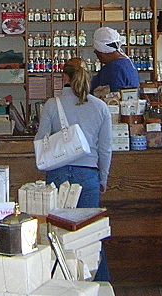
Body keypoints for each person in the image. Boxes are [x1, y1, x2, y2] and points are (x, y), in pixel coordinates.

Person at [35, 57, 112, 281]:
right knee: (90, 235)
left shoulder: (52, 104)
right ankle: (99, 284)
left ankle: (60, 284)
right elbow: (105, 149)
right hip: (88, 175)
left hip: (57, 174)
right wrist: (103, 178)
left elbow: (42, 139)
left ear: (64, 78)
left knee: (57, 234)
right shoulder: (101, 107)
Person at [90, 26, 140, 94]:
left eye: (97, 52)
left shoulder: (113, 69)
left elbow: (110, 99)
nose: (96, 54)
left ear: (102, 52)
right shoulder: (127, 63)